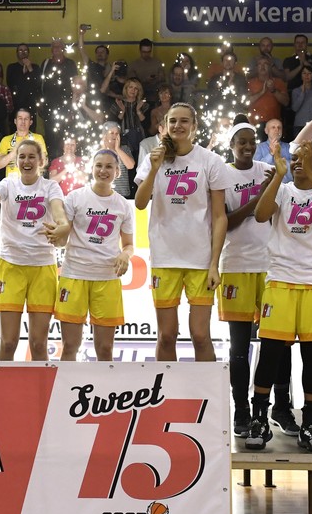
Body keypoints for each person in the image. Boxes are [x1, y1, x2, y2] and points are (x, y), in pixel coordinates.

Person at [243, 140, 312, 452]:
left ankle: (310, 423)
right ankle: (259, 418)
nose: (298, 162)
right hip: (281, 280)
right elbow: (260, 215)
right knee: (270, 352)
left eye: (305, 158)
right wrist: (277, 177)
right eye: (295, 157)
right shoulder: (284, 190)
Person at [134, 103, 227, 363]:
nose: (178, 126)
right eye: (173, 121)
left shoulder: (210, 161)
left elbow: (220, 216)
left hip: (199, 259)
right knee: (166, 335)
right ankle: (165, 396)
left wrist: (214, 263)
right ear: (164, 125)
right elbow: (140, 204)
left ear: (194, 128)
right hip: (165, 258)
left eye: (184, 121)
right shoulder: (154, 157)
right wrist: (154, 168)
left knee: (200, 334)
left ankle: (206, 395)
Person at [0, 140, 69, 361]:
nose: (26, 161)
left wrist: (62, 227)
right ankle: (2, 394)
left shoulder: (51, 187)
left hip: (42, 267)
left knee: (39, 344)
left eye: (32, 157)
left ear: (41, 161)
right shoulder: (8, 184)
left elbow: (59, 213)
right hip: (11, 266)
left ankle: (41, 394)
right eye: (22, 157)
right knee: (9, 342)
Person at [217, 124, 274, 434]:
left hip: (269, 266)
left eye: (252, 142)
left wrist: (269, 193)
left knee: (273, 343)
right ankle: (240, 411)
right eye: (242, 142)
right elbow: (225, 223)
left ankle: (266, 410)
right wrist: (257, 200)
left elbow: (276, 211)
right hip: (235, 265)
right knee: (239, 347)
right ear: (232, 145)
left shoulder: (267, 170)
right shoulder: (223, 176)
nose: (248, 147)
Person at [54, 151, 135, 362]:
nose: (103, 170)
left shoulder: (123, 205)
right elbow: (63, 235)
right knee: (70, 346)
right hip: (74, 275)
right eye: (99, 165)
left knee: (105, 349)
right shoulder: (75, 198)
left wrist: (125, 256)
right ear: (92, 168)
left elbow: (128, 245)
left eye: (109, 167)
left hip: (106, 279)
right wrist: (56, 235)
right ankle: (66, 392)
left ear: (117, 172)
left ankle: (102, 393)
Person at [0, 108, 46, 178]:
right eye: (20, 118)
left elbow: (43, 163)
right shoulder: (6, 140)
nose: (23, 121)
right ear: (15, 121)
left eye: (26, 119)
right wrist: (15, 151)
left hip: (32, 183)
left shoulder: (38, 138)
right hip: (12, 184)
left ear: (30, 122)